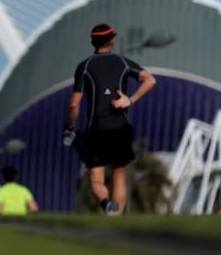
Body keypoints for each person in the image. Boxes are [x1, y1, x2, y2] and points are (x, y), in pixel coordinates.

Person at [65, 24, 156, 215]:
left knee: (96, 180)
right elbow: (150, 80)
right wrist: (130, 100)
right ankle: (117, 219)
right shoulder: (123, 62)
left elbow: (74, 104)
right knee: (119, 176)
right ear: (112, 41)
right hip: (120, 127)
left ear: (92, 42)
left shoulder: (85, 66)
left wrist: (70, 127)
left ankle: (107, 204)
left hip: (96, 129)